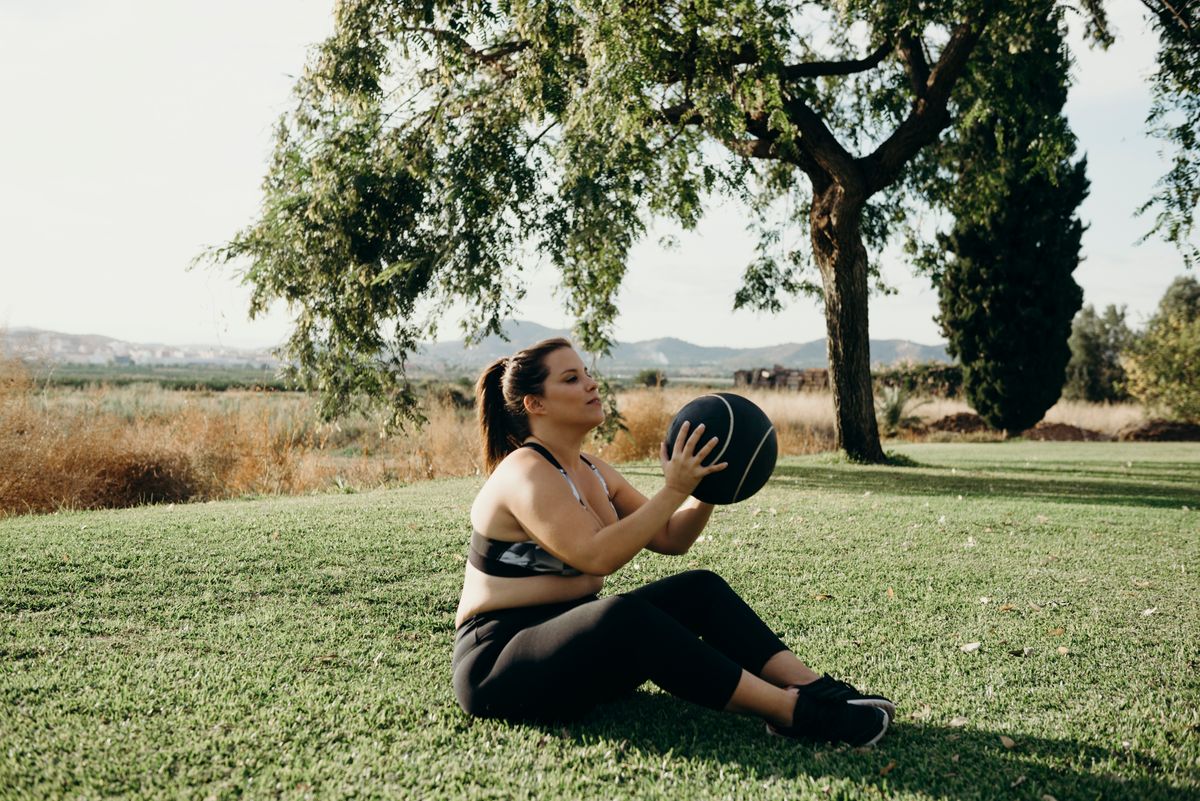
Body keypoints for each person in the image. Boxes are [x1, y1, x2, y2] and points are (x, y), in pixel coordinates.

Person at [452, 337, 894, 746]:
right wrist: (673, 490)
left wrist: (704, 487)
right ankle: (795, 714)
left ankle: (812, 685)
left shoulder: (591, 467)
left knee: (698, 587)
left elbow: (670, 536)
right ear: (535, 403)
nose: (590, 383)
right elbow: (597, 555)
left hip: (577, 651)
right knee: (623, 615)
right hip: (501, 667)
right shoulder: (524, 471)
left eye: (586, 372)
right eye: (571, 379)